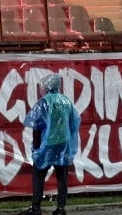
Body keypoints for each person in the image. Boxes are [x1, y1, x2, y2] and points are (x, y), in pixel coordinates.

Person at [21, 73, 81, 215]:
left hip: (48, 144)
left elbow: (37, 125)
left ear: (46, 87)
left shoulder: (44, 102)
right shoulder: (66, 101)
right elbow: (75, 121)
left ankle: (36, 208)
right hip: (64, 144)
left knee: (39, 174)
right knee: (62, 176)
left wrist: (36, 147)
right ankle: (61, 208)